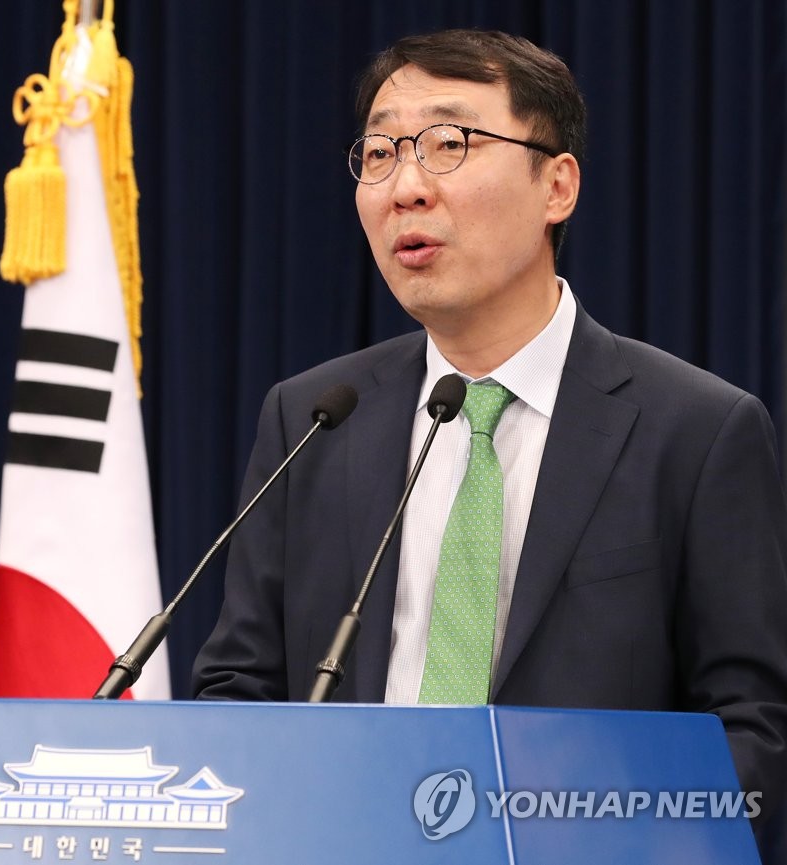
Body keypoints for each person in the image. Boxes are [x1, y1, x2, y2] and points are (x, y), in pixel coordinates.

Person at [191, 28, 787, 831]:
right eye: (379, 154)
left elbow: (754, 726)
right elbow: (238, 692)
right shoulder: (314, 419)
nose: (405, 188)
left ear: (557, 186)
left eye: (449, 144)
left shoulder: (698, 431)